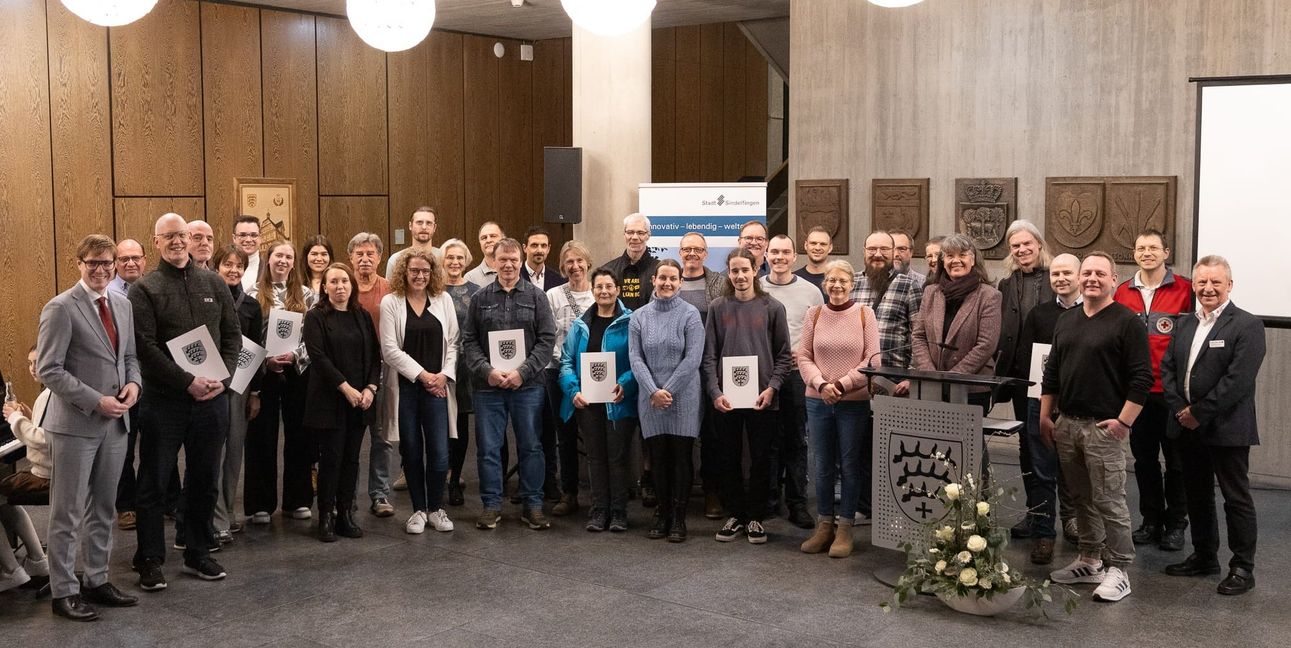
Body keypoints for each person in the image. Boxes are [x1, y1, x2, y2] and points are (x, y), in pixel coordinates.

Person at [130, 215, 240, 591]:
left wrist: (222, 379)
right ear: (156, 241)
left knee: (205, 478)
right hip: (165, 402)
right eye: (170, 237)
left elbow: (232, 336)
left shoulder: (214, 283)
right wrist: (187, 382)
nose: (178, 242)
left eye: (183, 235)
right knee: (155, 482)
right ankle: (149, 560)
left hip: (212, 400)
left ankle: (197, 551)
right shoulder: (145, 289)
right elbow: (145, 347)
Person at [36, 234, 143, 621]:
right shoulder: (60, 307)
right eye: (92, 263)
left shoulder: (122, 304)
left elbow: (129, 356)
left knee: (104, 508)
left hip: (116, 424)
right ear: (79, 263)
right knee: (66, 512)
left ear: (115, 265)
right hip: (75, 425)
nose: (100, 269)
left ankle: (97, 579)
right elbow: (49, 370)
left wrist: (134, 384)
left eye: (106, 263)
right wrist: (96, 400)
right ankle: (64, 591)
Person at [1042, 251, 1153, 604]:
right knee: (1080, 498)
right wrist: (1046, 416)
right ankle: (1090, 560)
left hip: (1104, 429)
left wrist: (1124, 422)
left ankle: (1119, 569)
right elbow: (1052, 372)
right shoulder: (1068, 320)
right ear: (1079, 278)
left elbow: (1142, 379)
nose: (1091, 278)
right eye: (1086, 272)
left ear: (1113, 279)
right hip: (1067, 424)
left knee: (1109, 500)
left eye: (1099, 273)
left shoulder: (1127, 322)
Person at [1161, 255, 1265, 595]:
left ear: (1229, 285)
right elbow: (1168, 371)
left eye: (1216, 282)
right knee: (1197, 496)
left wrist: (1198, 412)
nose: (1208, 288)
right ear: (1194, 285)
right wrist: (1181, 410)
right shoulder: (1185, 323)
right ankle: (1205, 556)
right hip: (1187, 426)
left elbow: (1237, 381)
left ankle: (1242, 567)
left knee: (1236, 498)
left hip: (1227, 427)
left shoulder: (1247, 325)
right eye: (1202, 282)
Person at [461, 238, 556, 530]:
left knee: (531, 446)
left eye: (514, 259)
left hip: (527, 386)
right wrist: (486, 370)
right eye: (503, 259)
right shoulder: (480, 298)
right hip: (488, 388)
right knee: (489, 448)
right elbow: (469, 341)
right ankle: (491, 505)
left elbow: (547, 340)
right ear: (494, 260)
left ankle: (533, 505)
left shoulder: (537, 297)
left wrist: (523, 372)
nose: (509, 265)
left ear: (520, 260)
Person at [702, 249, 792, 545]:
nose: (740, 276)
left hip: (762, 398)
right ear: (728, 273)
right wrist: (715, 392)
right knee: (727, 457)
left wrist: (772, 388)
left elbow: (783, 355)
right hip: (726, 398)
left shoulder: (773, 307)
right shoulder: (718, 307)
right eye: (734, 271)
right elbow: (709, 355)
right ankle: (735, 515)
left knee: (761, 458)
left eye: (745, 270)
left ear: (756, 270)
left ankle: (756, 517)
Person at [1113, 229, 1192, 551]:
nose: (1147, 252)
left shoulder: (1186, 289)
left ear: (1166, 252)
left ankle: (1176, 524)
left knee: (1176, 463)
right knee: (1144, 461)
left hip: (1172, 393)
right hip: (1137, 393)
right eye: (1141, 247)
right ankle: (1150, 520)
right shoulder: (1121, 293)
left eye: (1153, 248)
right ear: (1134, 254)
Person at [796, 260, 879, 558]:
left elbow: (873, 359)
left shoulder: (864, 314)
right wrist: (821, 385)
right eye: (831, 280)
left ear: (852, 284)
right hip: (817, 400)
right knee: (822, 464)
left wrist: (841, 385)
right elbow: (803, 355)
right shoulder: (814, 314)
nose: (836, 285)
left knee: (850, 464)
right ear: (824, 284)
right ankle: (824, 525)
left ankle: (845, 528)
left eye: (843, 280)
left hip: (852, 403)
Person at [381, 250, 459, 535]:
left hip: (437, 389)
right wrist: (424, 375)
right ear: (404, 271)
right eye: (414, 270)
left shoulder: (444, 300)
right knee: (411, 451)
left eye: (425, 271)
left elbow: (454, 343)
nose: (420, 275)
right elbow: (390, 350)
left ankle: (436, 508)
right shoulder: (391, 302)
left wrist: (443, 377)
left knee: (439, 453)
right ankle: (418, 510)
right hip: (406, 389)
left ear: (432, 273)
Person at [303, 263, 381, 542]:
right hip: (329, 400)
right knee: (332, 459)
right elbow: (318, 358)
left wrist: (371, 388)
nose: (339, 287)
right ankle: (325, 515)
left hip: (361, 401)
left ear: (352, 286)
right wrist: (346, 388)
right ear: (324, 287)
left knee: (351, 460)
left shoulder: (361, 315)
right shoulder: (315, 317)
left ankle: (345, 513)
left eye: (344, 282)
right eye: (333, 282)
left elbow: (375, 356)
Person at [628, 260, 705, 542]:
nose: (667, 283)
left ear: (680, 282)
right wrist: (652, 391)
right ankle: (661, 512)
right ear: (654, 281)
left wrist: (667, 391)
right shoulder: (639, 317)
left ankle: (679, 517)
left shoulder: (691, 314)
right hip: (650, 399)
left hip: (683, 397)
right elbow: (635, 358)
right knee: (657, 458)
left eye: (673, 279)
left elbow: (693, 358)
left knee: (682, 457)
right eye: (662, 278)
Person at [1014, 253, 1082, 564]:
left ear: (1079, 276)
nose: (1061, 278)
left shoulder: (1094, 313)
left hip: (1081, 404)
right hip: (1039, 402)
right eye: (1056, 274)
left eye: (1067, 272)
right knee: (1041, 472)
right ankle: (1043, 534)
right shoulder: (1039, 314)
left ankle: (1081, 529)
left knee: (1079, 472)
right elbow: (1029, 360)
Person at [245, 240, 316, 525]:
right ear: (268, 259)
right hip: (263, 373)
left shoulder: (308, 295)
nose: (283, 260)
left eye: (289, 256)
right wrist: (266, 361)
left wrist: (293, 354)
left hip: (298, 371)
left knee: (299, 435)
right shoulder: (252, 294)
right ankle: (260, 504)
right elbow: (247, 338)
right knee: (261, 436)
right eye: (278, 255)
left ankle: (297, 499)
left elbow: (314, 337)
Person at [561, 268, 637, 533]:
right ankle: (598, 510)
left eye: (609, 286)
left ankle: (618, 512)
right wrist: (573, 390)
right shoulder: (581, 325)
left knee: (617, 458)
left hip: (619, 402)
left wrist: (625, 384)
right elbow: (567, 361)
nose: (604, 291)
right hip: (588, 403)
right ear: (592, 291)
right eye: (599, 287)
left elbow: (638, 362)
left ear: (618, 290)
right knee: (595, 458)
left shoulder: (631, 322)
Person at [993, 221, 1056, 540]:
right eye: (1015, 246)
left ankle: (1059, 519)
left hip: (1050, 377)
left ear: (1039, 244)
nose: (1021, 250)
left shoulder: (1054, 278)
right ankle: (1034, 513)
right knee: (1025, 446)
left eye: (1027, 244)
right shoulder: (1006, 283)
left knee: (1051, 446)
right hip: (1018, 377)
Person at [760, 235, 823, 529]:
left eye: (786, 252)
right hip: (764, 375)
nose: (780, 257)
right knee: (768, 440)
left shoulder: (811, 292)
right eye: (774, 252)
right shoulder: (757, 288)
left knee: (797, 439)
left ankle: (797, 503)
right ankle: (769, 500)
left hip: (797, 376)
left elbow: (820, 333)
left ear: (795, 256)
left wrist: (807, 355)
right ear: (766, 255)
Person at [911, 233, 1002, 419]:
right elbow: (918, 336)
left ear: (973, 259)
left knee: (967, 444)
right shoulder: (931, 292)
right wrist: (930, 375)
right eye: (950, 256)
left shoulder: (989, 295)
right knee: (934, 442)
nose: (956, 261)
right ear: (943, 261)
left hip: (971, 387)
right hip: (931, 385)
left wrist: (952, 378)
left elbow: (986, 345)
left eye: (962, 255)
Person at [210, 245, 264, 544]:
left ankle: (229, 512)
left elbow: (255, 350)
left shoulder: (252, 306)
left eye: (239, 265)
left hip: (241, 387)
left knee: (233, 454)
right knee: (213, 453)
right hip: (212, 387)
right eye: (227, 264)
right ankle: (215, 517)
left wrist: (255, 392)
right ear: (217, 267)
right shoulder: (208, 300)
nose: (233, 270)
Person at [675, 231, 726, 519]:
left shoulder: (719, 283)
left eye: (698, 249)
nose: (692, 253)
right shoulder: (669, 280)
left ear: (706, 253)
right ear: (679, 252)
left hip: (709, 369)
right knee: (678, 433)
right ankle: (674, 493)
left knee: (712, 434)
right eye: (686, 249)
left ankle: (711, 492)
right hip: (674, 371)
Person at [545, 240, 596, 516]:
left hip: (593, 375)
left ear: (588, 262)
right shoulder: (553, 295)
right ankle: (569, 493)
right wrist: (564, 362)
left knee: (594, 435)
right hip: (558, 374)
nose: (575, 267)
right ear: (563, 267)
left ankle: (600, 495)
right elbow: (547, 333)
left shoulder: (598, 293)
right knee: (564, 435)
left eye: (579, 261)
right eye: (569, 263)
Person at [349, 233, 396, 519]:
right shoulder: (343, 286)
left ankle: (380, 495)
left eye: (371, 253)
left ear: (380, 257)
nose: (365, 258)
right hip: (350, 373)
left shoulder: (390, 289)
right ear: (351, 257)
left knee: (382, 437)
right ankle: (348, 495)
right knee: (350, 439)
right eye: (359, 253)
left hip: (384, 371)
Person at [109, 238, 155, 531]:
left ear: (144, 260)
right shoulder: (108, 294)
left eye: (135, 257)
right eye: (123, 258)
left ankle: (156, 500)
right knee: (123, 449)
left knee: (156, 445)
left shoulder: (151, 289)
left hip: (154, 380)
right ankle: (125, 505)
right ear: (115, 263)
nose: (130, 263)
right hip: (122, 383)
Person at [440, 239, 481, 506]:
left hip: (467, 368)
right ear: (442, 261)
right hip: (439, 365)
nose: (454, 262)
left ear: (466, 261)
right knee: (438, 425)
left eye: (459, 258)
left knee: (461, 427)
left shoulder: (477, 292)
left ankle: (455, 480)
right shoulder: (433, 290)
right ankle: (437, 476)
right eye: (450, 258)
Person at [850, 231, 922, 378]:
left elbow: (919, 336)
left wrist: (911, 377)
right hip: (853, 377)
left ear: (892, 251)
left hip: (893, 378)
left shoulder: (909, 286)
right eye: (872, 249)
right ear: (864, 251)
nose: (877, 254)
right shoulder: (851, 282)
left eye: (884, 249)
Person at [602, 213, 659, 311]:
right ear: (624, 235)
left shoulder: (660, 270)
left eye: (640, 233)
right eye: (630, 232)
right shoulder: (607, 270)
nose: (635, 237)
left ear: (648, 236)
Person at [385, 206, 442, 277]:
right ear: (410, 225)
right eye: (419, 223)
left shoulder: (445, 258)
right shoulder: (395, 260)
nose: (424, 227)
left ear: (434, 227)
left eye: (429, 223)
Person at [522, 225, 566, 291]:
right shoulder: (515, 277)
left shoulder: (559, 280)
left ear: (548, 249)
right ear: (524, 248)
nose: (539, 250)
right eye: (534, 245)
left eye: (543, 246)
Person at [464, 221, 504, 286]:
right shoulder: (471, 278)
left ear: (503, 239)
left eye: (493, 236)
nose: (488, 240)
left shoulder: (514, 271)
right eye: (484, 238)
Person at [794, 226, 833, 293]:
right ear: (806, 245)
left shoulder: (837, 280)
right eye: (813, 243)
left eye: (823, 244)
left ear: (830, 248)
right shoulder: (794, 278)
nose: (817, 248)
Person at [232, 215, 264, 294]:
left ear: (260, 238)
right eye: (242, 235)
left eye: (253, 235)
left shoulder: (271, 268)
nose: (248, 240)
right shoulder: (220, 271)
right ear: (234, 238)